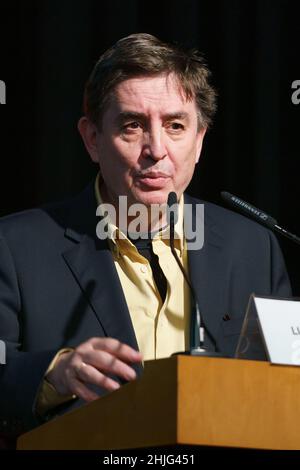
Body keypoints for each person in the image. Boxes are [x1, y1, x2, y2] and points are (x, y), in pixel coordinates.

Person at [0, 33, 291, 437]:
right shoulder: (15, 246)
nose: (156, 149)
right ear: (92, 140)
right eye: (133, 126)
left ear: (199, 140)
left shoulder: (252, 246)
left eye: (175, 125)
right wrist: (52, 374)